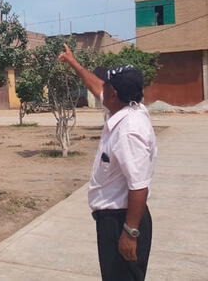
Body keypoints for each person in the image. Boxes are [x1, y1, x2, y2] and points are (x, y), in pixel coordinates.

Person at [59, 44, 156, 281]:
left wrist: (130, 233)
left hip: (122, 221)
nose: (102, 88)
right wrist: (74, 63)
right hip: (115, 219)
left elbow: (139, 186)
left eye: (107, 86)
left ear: (114, 94)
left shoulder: (128, 131)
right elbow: (95, 86)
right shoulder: (130, 107)